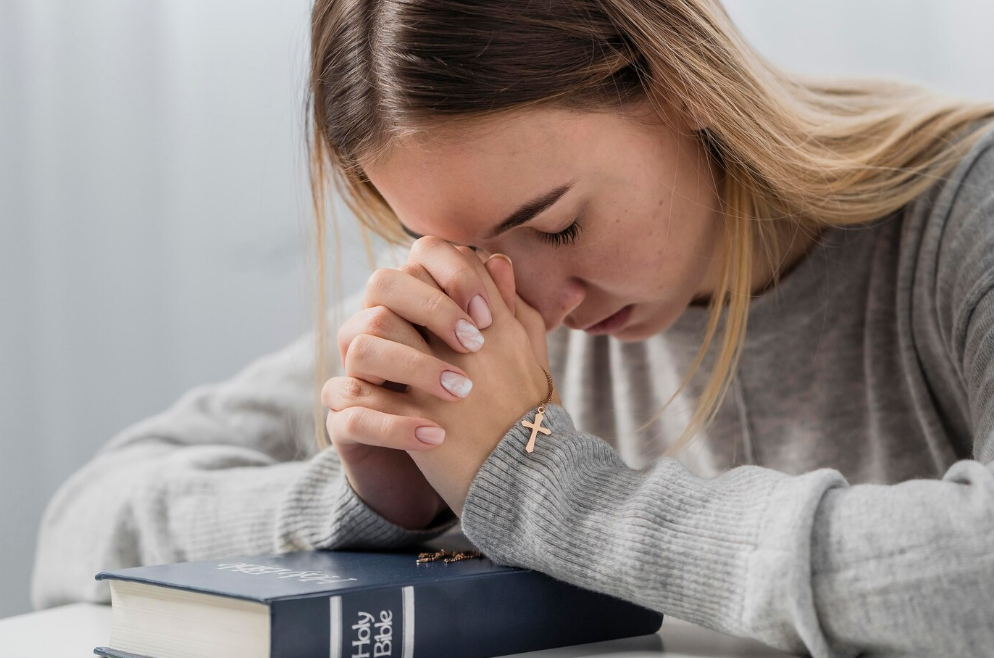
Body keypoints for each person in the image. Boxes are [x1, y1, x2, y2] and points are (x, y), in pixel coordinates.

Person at [31, 1, 994, 656]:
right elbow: (82, 524)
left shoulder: (965, 213)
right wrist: (379, 502)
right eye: (456, 247)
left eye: (558, 224)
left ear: (681, 82)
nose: (541, 304)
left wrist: (544, 491)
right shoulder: (482, 325)